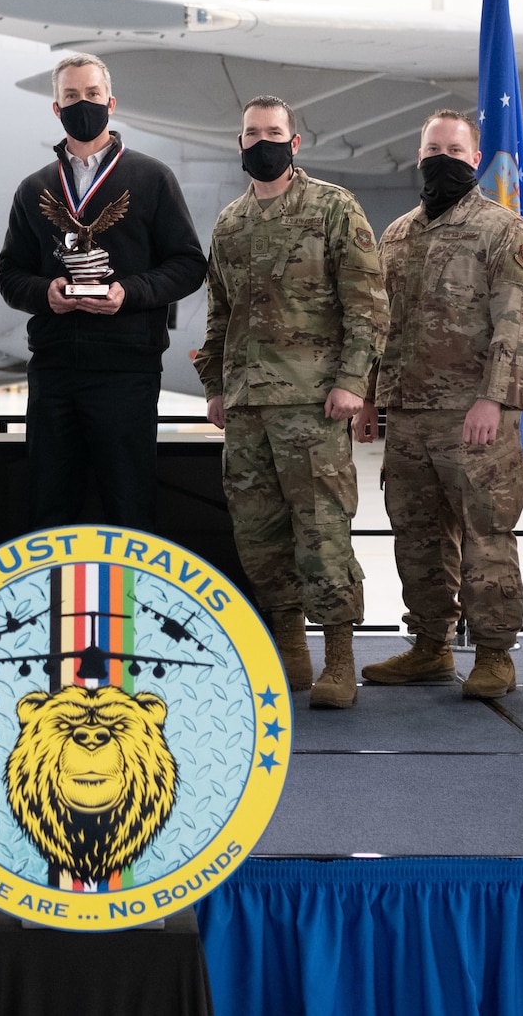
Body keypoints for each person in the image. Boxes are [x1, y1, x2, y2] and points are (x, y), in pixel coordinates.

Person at [197, 97, 387, 709]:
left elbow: (367, 303)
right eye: (251, 134)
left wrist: (354, 381)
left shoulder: (333, 208)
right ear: (240, 142)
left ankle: (338, 657)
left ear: (295, 141)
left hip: (314, 402)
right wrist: (216, 386)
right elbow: (220, 314)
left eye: (273, 133)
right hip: (248, 405)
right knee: (259, 534)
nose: (262, 142)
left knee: (322, 532)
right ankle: (289, 651)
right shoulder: (230, 222)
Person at [355, 110, 523, 699]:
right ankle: (430, 646)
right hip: (407, 415)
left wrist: (494, 400)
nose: (443, 157)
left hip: (474, 417)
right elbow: (377, 324)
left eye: (455, 149)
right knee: (415, 537)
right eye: (433, 147)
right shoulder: (396, 235)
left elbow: (518, 325)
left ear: (475, 157)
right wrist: (367, 399)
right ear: (419, 155)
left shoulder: (503, 230)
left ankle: (493, 654)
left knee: (487, 536)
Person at [0, 53, 206, 532]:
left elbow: (190, 266)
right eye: (71, 96)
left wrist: (127, 294)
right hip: (54, 372)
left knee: (128, 506)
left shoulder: (152, 178)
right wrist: (45, 292)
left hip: (126, 371)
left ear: (111, 102)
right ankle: (56, 606)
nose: (82, 104)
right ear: (56, 108)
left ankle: (125, 607)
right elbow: (10, 274)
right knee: (49, 507)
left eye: (92, 95)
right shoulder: (35, 189)